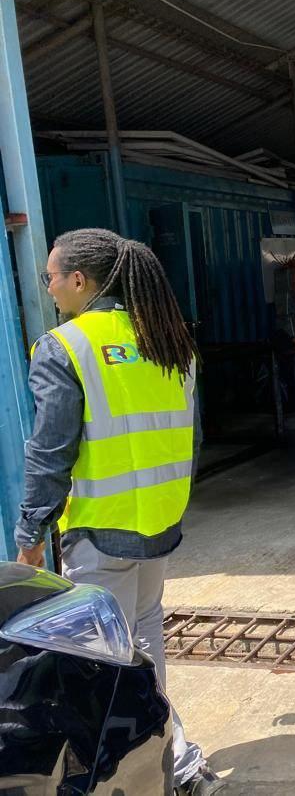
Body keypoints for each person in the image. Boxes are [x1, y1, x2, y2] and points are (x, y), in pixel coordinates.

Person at [14, 228, 226, 795]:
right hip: (158, 523)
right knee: (145, 643)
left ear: (79, 280)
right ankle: (176, 759)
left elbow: (50, 451)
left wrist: (30, 532)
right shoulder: (168, 339)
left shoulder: (65, 346)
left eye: (51, 277)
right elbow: (192, 437)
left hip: (98, 530)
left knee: (99, 662)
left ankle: (154, 767)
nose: (49, 288)